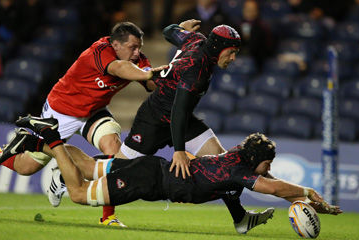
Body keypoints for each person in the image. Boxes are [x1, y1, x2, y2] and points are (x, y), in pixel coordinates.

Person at [0, 21, 166, 227]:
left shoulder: (138, 60)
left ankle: (108, 216)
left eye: (139, 48)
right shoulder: (100, 51)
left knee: (114, 149)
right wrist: (148, 73)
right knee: (26, 167)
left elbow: (150, 84)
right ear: (116, 44)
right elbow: (119, 68)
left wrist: (165, 74)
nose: (137, 52)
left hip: (93, 112)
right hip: (61, 111)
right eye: (132, 47)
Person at [9, 115, 343, 234]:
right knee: (80, 192)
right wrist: (311, 196)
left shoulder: (231, 164)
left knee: (89, 166)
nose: (267, 169)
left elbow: (250, 189)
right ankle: (52, 140)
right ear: (255, 160)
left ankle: (44, 138)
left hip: (152, 167)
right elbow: (275, 188)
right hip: (149, 180)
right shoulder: (239, 172)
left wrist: (245, 219)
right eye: (266, 163)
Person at [113, 19, 276, 233]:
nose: (234, 58)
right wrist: (179, 151)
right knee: (118, 168)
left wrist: (181, 27)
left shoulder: (195, 39)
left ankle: (241, 219)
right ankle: (66, 176)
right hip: (154, 120)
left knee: (225, 162)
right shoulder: (196, 70)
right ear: (218, 49)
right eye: (231, 52)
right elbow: (177, 111)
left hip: (183, 120)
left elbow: (168, 30)